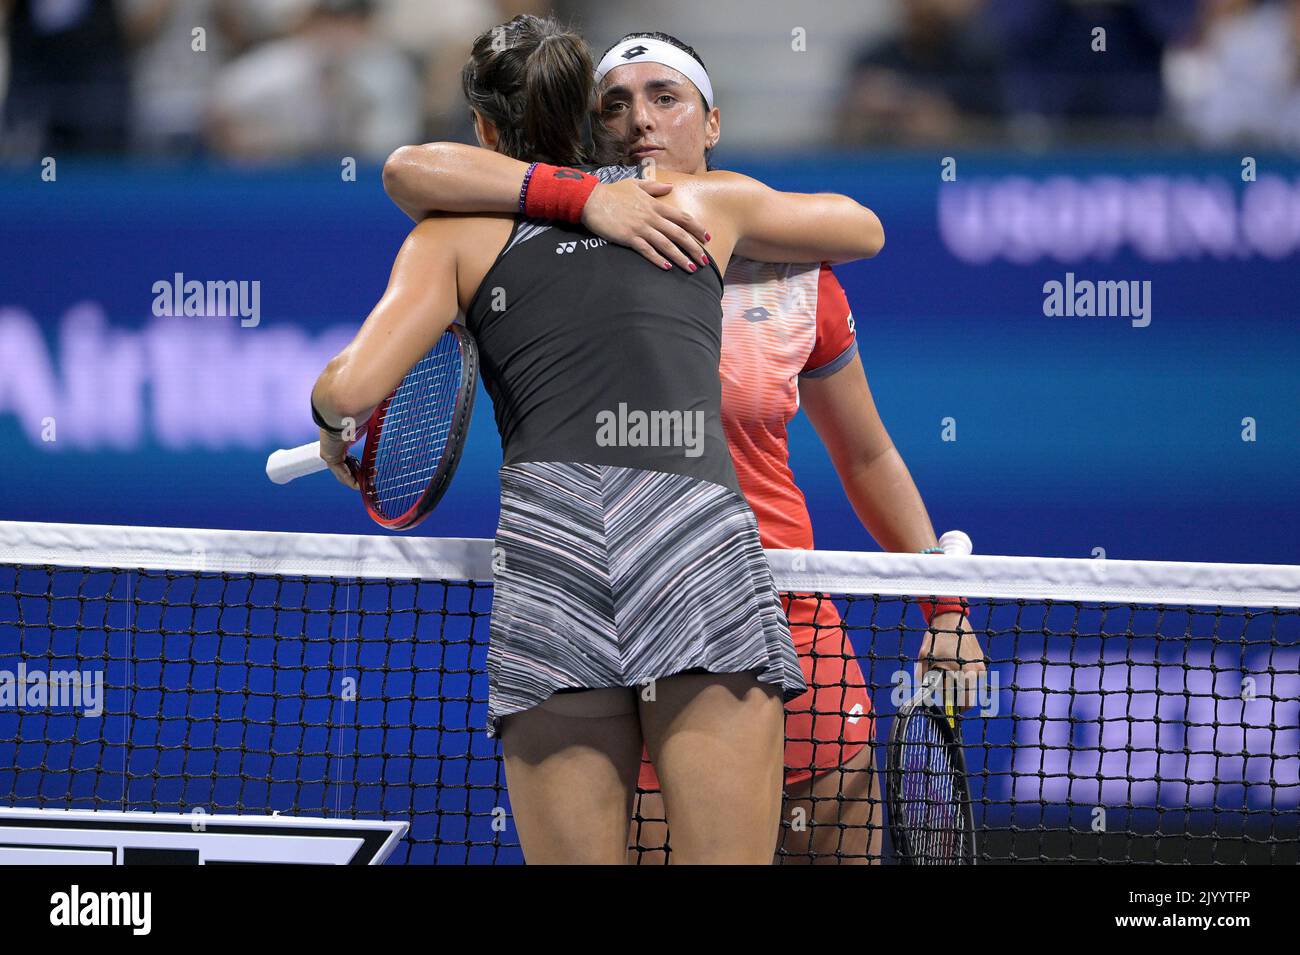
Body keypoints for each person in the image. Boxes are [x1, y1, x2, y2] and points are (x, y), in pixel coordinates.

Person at [382, 30, 988, 864]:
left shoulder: (786, 268)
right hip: (626, 638)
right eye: (615, 105)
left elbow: (867, 454)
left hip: (787, 614)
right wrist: (585, 198)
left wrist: (945, 604)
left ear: (711, 122)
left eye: (666, 99)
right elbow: (412, 171)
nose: (641, 122)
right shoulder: (539, 245)